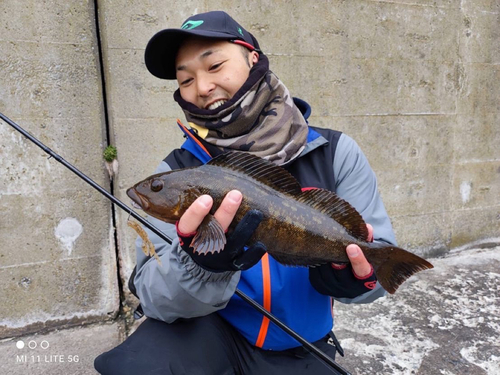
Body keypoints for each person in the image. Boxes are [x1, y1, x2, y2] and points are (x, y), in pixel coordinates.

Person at [95, 11, 397, 375]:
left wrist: (350, 277)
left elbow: (377, 274)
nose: (202, 87)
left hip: (305, 344)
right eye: (185, 79)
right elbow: (152, 295)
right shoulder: (174, 171)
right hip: (212, 335)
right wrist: (199, 267)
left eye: (215, 65)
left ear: (252, 58)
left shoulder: (336, 152)